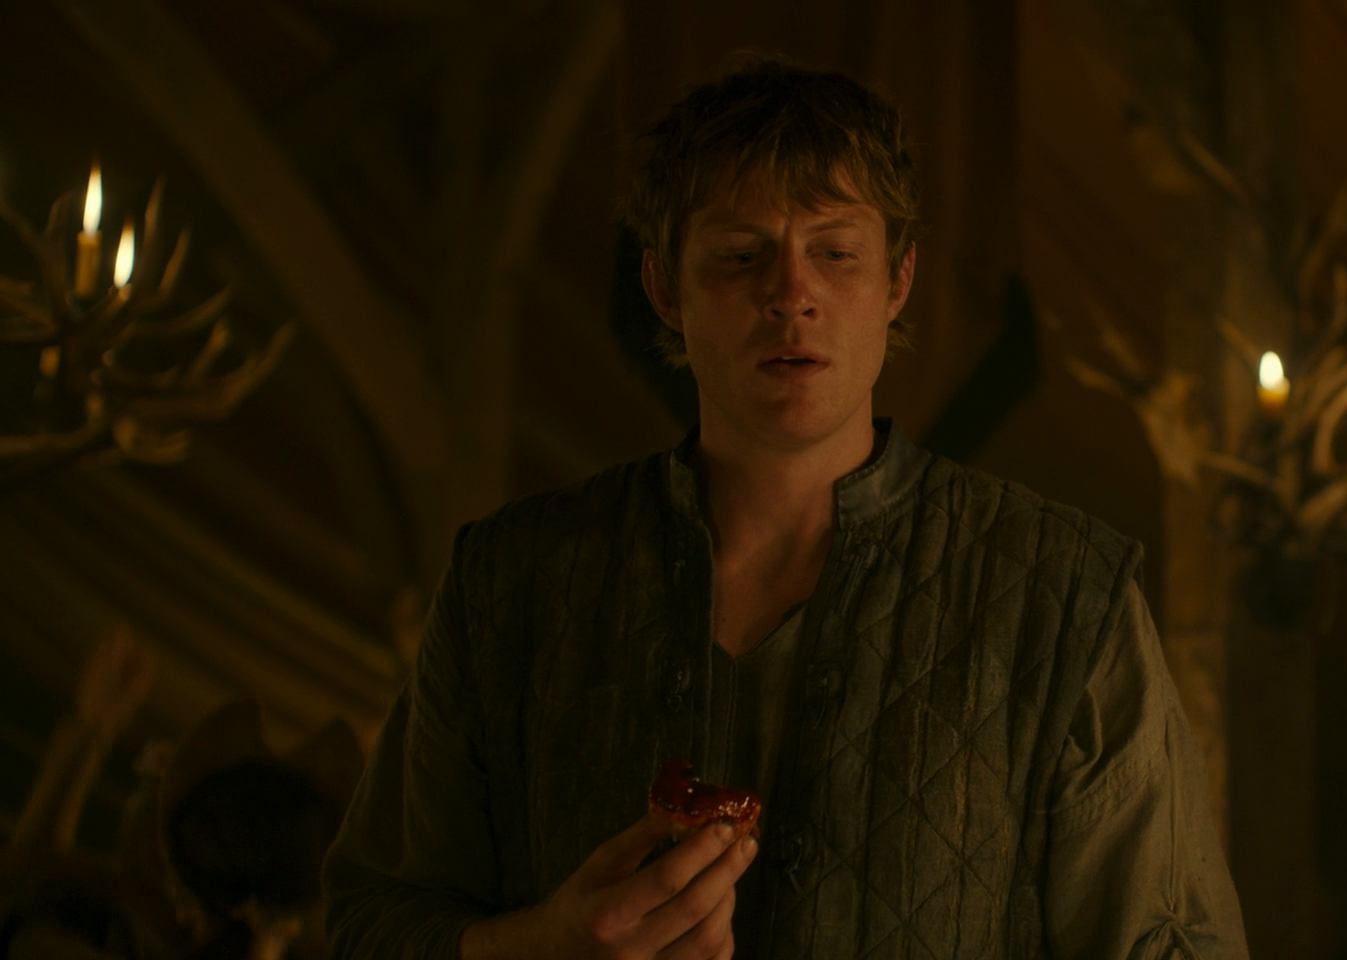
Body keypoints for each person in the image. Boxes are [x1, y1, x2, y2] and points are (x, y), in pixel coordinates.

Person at [323, 58, 1247, 959]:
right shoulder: (511, 582)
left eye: (835, 253)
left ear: (896, 281)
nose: (792, 296)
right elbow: (369, 923)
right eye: (740, 256)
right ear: (664, 288)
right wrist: (538, 949)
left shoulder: (1062, 595)